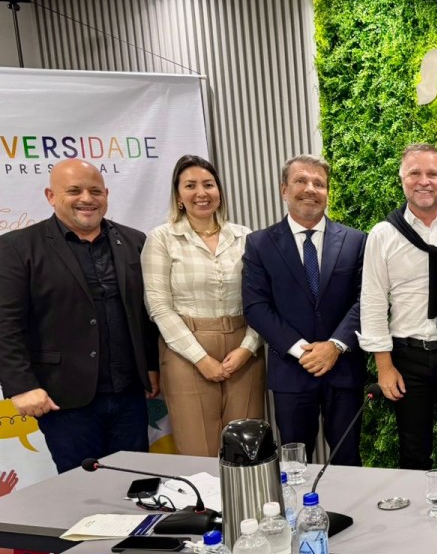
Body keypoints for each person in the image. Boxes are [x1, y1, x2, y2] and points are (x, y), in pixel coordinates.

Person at [0, 160, 160, 472]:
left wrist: (152, 365)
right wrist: (21, 386)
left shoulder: (134, 241)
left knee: (135, 484)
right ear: (50, 196)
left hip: (130, 395)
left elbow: (146, 312)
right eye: (74, 191)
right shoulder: (17, 247)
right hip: (64, 399)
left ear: (106, 195)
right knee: (82, 489)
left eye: (95, 191)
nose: (87, 198)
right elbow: (6, 324)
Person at [358, 144, 437, 472]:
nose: (424, 181)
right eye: (415, 173)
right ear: (402, 179)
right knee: (413, 453)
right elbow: (372, 301)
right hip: (407, 358)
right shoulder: (383, 234)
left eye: (432, 174)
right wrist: (384, 366)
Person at [242, 155, 367, 465]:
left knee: (348, 460)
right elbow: (256, 306)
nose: (310, 189)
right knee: (294, 463)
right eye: (301, 181)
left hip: (343, 370)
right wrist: (303, 351)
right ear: (284, 189)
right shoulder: (259, 244)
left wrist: (334, 346)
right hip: (291, 372)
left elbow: (365, 300)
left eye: (319, 183)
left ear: (327, 192)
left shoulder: (355, 241)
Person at [141, 155, 265, 457]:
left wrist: (248, 347)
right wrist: (201, 359)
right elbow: (158, 306)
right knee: (199, 451)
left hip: (244, 351)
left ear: (219, 191)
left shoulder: (245, 237)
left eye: (208, 184)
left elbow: (263, 299)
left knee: (246, 448)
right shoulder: (162, 238)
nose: (201, 193)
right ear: (178, 195)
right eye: (190, 185)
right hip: (186, 352)